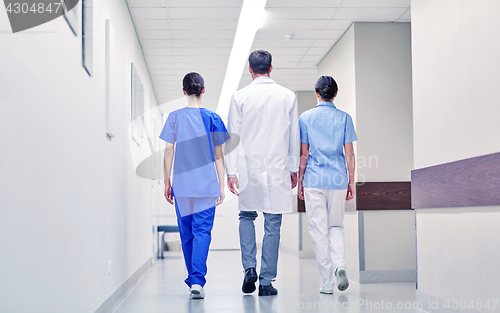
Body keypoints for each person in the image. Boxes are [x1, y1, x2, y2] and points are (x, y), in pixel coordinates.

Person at [225, 50, 300, 296]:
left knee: (246, 216)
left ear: (250, 69)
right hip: (278, 167)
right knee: (273, 223)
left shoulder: (240, 97)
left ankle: (249, 268)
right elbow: (294, 137)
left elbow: (233, 137)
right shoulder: (288, 96)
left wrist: (231, 171)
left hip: (248, 167)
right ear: (271, 67)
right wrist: (293, 168)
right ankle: (266, 282)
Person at [160, 72, 230, 299]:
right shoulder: (213, 118)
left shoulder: (174, 117)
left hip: (181, 185)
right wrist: (221, 186)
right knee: (202, 232)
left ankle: (194, 279)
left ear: (183, 91)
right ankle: (197, 281)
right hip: (206, 186)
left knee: (187, 233)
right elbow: (219, 156)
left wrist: (167, 181)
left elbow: (169, 151)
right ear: (203, 90)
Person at [297, 76, 357, 294]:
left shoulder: (305, 118)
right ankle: (340, 264)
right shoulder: (344, 118)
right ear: (335, 94)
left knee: (318, 230)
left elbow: (304, 153)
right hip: (338, 179)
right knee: (336, 226)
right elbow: (349, 153)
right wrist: (351, 181)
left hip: (314, 179)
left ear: (316, 93)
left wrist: (301, 181)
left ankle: (327, 283)